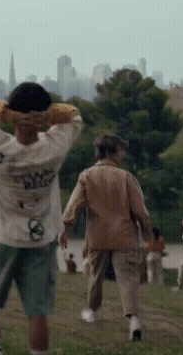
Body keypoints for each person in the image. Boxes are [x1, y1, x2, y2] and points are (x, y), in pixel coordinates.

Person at [0, 83, 82, 355]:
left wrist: (11, 116)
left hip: (0, 235)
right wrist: (45, 117)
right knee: (37, 313)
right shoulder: (54, 148)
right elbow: (74, 114)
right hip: (40, 239)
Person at [60, 133, 152, 342]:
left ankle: (93, 311)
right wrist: (147, 232)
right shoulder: (126, 177)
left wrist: (66, 227)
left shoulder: (87, 176)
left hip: (97, 235)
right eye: (121, 151)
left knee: (95, 275)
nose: (123, 155)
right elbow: (140, 210)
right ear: (112, 151)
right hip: (125, 236)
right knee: (128, 278)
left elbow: (74, 204)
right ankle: (134, 320)